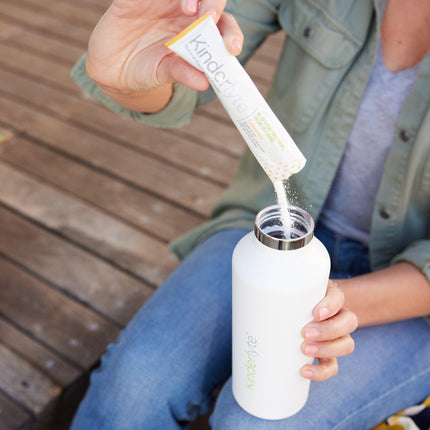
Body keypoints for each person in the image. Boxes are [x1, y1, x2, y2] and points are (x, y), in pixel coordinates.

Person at [70, 0, 430, 428]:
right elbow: (183, 64)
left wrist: (324, 303)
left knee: (255, 422)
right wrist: (129, 73)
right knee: (136, 384)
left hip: (413, 295)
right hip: (267, 236)